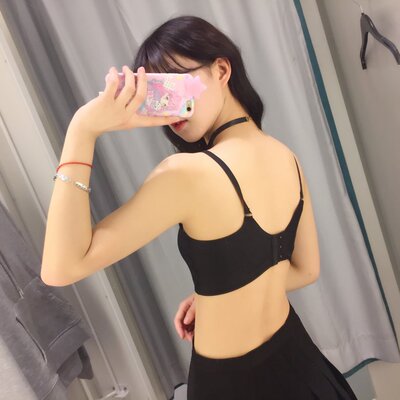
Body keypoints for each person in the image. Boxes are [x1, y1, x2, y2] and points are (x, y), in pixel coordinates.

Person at [41, 14, 358, 400]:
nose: (170, 106)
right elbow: (305, 270)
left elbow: (61, 267)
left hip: (231, 387)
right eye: (158, 91)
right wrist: (219, 297)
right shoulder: (285, 156)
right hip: (301, 365)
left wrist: (82, 129)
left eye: (176, 82)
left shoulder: (186, 173)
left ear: (221, 70)